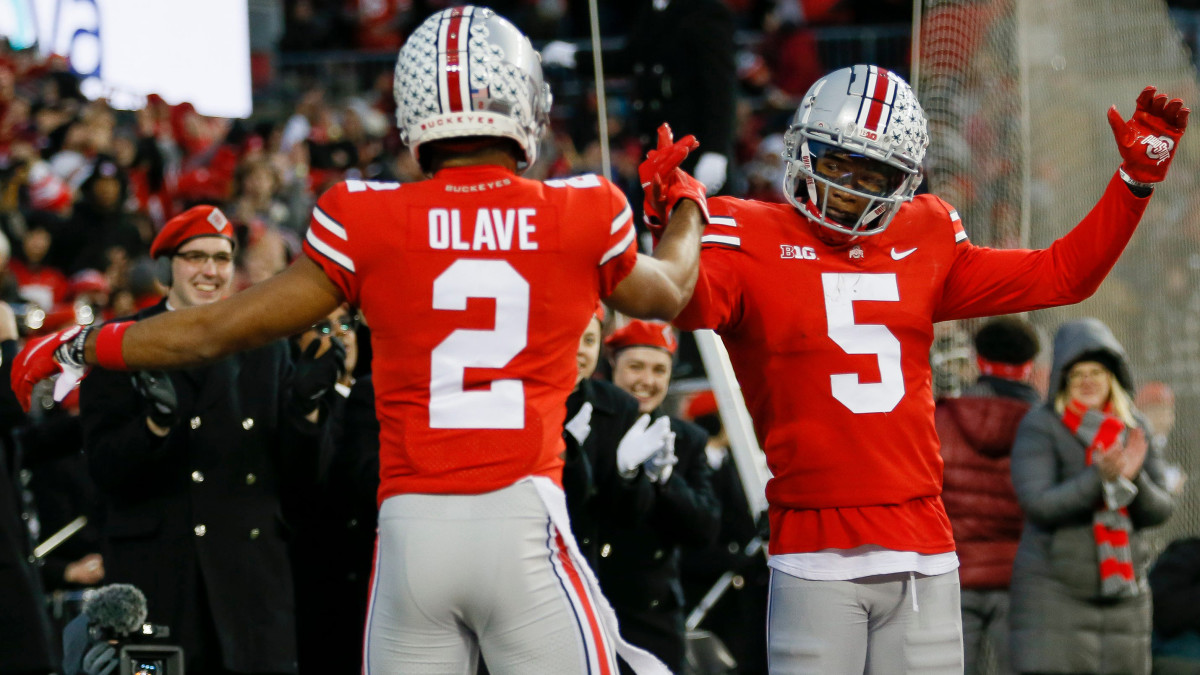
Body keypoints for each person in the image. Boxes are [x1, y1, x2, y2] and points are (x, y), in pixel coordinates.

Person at [12, 7, 708, 673]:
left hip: (411, 536)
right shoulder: (583, 207)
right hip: (522, 518)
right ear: (522, 97)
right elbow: (672, 290)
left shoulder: (365, 213)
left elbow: (214, 328)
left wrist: (81, 344)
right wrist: (683, 205)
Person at [639, 64, 1189, 673]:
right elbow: (674, 299)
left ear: (902, 181)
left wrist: (1133, 183)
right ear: (804, 149)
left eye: (874, 173)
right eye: (837, 161)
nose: (850, 186)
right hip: (815, 542)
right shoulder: (744, 228)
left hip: (923, 541)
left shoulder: (925, 231)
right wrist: (674, 221)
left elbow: (1064, 275)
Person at [76, 205, 342, 675]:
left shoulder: (267, 345)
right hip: (161, 585)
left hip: (250, 587)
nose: (211, 271)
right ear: (165, 269)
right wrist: (153, 427)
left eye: (221, 258)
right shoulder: (122, 344)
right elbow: (103, 474)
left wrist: (308, 409)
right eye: (196, 257)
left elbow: (303, 483)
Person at [1009, 317, 1174, 675]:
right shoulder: (1041, 425)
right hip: (1054, 594)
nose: (1087, 381)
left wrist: (1133, 482)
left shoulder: (1135, 426)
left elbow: (1161, 509)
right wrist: (1099, 477)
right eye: (1078, 372)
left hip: (1125, 598)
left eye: (1096, 371)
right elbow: (1038, 504)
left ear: (1112, 376)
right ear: (1063, 378)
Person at [601, 319, 720, 673]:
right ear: (613, 367)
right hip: (592, 595)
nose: (647, 381)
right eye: (635, 367)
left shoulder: (686, 439)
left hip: (653, 609)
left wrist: (666, 481)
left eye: (659, 370)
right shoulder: (587, 426)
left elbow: (705, 529)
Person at [935, 317, 1041, 675]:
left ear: (979, 361)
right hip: (1022, 577)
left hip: (955, 572)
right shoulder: (1044, 424)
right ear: (1029, 366)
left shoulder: (943, 418)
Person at [562, 303, 668, 567]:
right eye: (570, 336)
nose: (579, 350)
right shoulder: (523, 398)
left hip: (583, 560)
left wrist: (630, 477)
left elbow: (628, 517)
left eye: (588, 340)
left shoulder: (618, 406)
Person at [679, 389, 769, 675]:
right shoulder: (693, 468)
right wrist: (728, 557)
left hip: (743, 588)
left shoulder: (735, 462)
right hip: (708, 589)